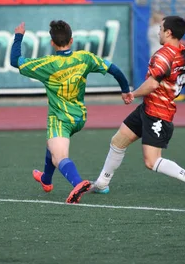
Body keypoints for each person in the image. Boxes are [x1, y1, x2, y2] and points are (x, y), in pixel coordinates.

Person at [91, 16, 185, 196]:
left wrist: (132, 94)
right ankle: (102, 183)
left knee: (151, 161)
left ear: (168, 32)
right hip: (148, 108)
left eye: (160, 28)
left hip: (159, 113)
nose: (158, 31)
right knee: (118, 141)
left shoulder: (163, 55)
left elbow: (152, 84)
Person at [10, 20, 133, 204]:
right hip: (80, 117)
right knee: (51, 142)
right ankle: (46, 180)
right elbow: (113, 69)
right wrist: (125, 90)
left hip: (61, 118)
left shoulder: (47, 63)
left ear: (52, 43)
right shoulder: (84, 58)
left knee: (59, 156)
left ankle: (78, 183)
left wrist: (19, 36)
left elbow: (15, 61)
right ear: (72, 40)